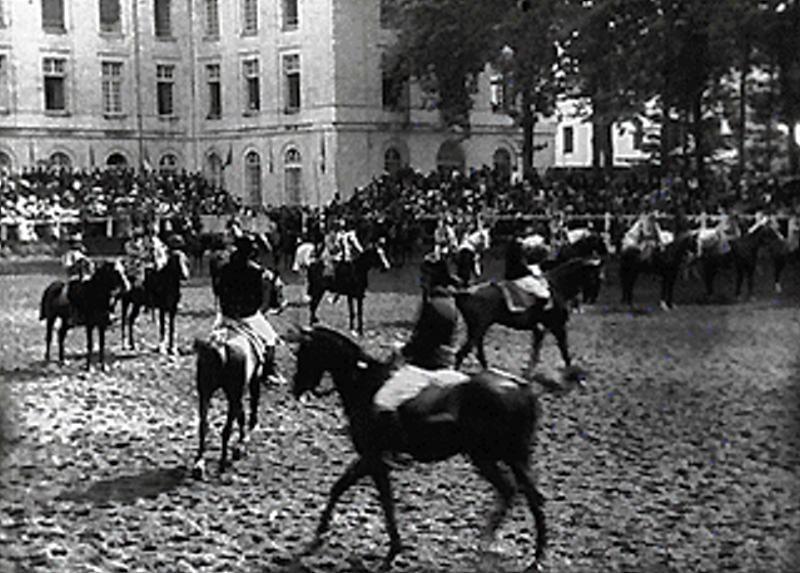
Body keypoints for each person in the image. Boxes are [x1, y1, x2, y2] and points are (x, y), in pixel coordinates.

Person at [212, 234, 281, 383]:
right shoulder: (255, 271)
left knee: (213, 339)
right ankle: (269, 372)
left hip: (226, 315)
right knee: (271, 338)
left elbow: (219, 291)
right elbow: (258, 298)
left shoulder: (225, 268)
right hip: (248, 315)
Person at [62, 233, 95, 325]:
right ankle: (74, 315)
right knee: (77, 293)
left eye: (79, 242)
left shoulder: (83, 254)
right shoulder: (68, 255)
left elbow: (91, 266)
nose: (78, 244)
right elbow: (67, 267)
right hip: (75, 278)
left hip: (87, 278)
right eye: (76, 242)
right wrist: (77, 264)